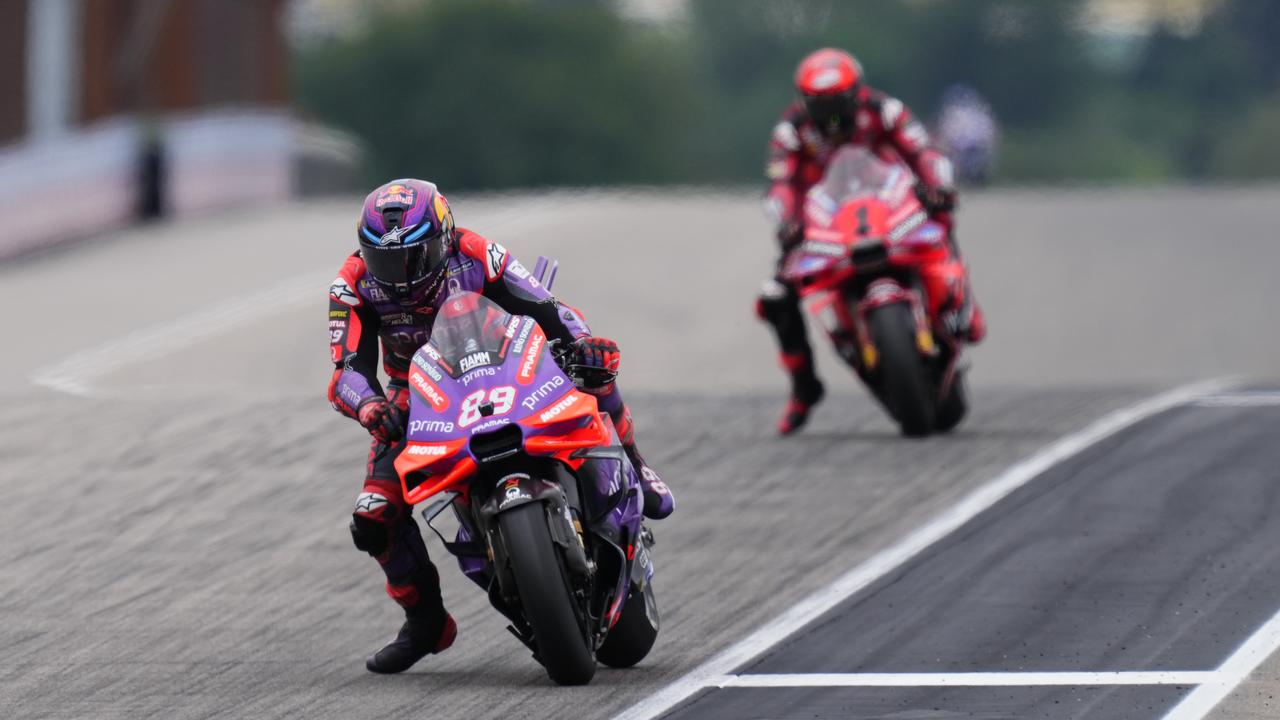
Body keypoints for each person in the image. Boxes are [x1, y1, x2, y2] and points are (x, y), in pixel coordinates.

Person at [328, 179, 674, 673]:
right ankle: (426, 622)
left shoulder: (478, 254)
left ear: (443, 239)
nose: (400, 277)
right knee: (372, 515)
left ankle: (636, 465)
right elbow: (346, 369)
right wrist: (369, 407)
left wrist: (583, 343)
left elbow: (547, 309)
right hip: (419, 393)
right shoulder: (352, 283)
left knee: (594, 367)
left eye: (414, 257)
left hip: (504, 360)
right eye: (387, 262)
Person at [757, 48, 986, 435]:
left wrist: (936, 186)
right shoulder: (790, 131)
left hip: (890, 203)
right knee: (776, 296)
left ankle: (962, 307)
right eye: (820, 104)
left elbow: (922, 150)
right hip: (823, 220)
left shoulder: (885, 110)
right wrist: (787, 219)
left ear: (856, 94)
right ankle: (804, 388)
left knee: (941, 219)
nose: (831, 116)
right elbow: (781, 182)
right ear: (805, 101)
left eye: (838, 103)